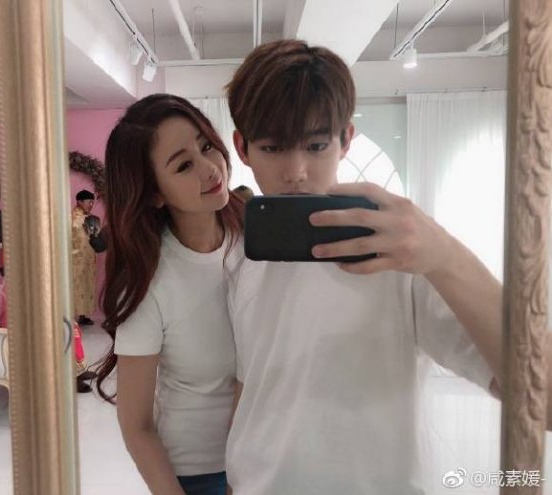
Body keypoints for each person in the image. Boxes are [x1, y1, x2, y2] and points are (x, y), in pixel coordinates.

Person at [223, 39, 506, 494]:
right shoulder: (238, 255)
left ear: (346, 140)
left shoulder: (401, 252)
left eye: (316, 145)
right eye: (273, 147)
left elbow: (541, 398)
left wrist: (446, 256)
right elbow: (252, 386)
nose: (296, 171)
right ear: (242, 147)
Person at [95, 94, 244, 495]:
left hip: (270, 456)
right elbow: (136, 426)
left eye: (206, 146)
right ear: (154, 193)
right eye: (183, 165)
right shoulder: (149, 282)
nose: (209, 168)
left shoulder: (255, 239)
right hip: (200, 472)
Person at [71, 189, 98, 326]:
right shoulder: (73, 218)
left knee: (86, 287)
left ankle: (82, 316)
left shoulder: (91, 218)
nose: (91, 204)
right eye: (89, 202)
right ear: (80, 202)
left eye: (92, 202)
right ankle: (71, 317)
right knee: (75, 287)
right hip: (75, 260)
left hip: (88, 260)